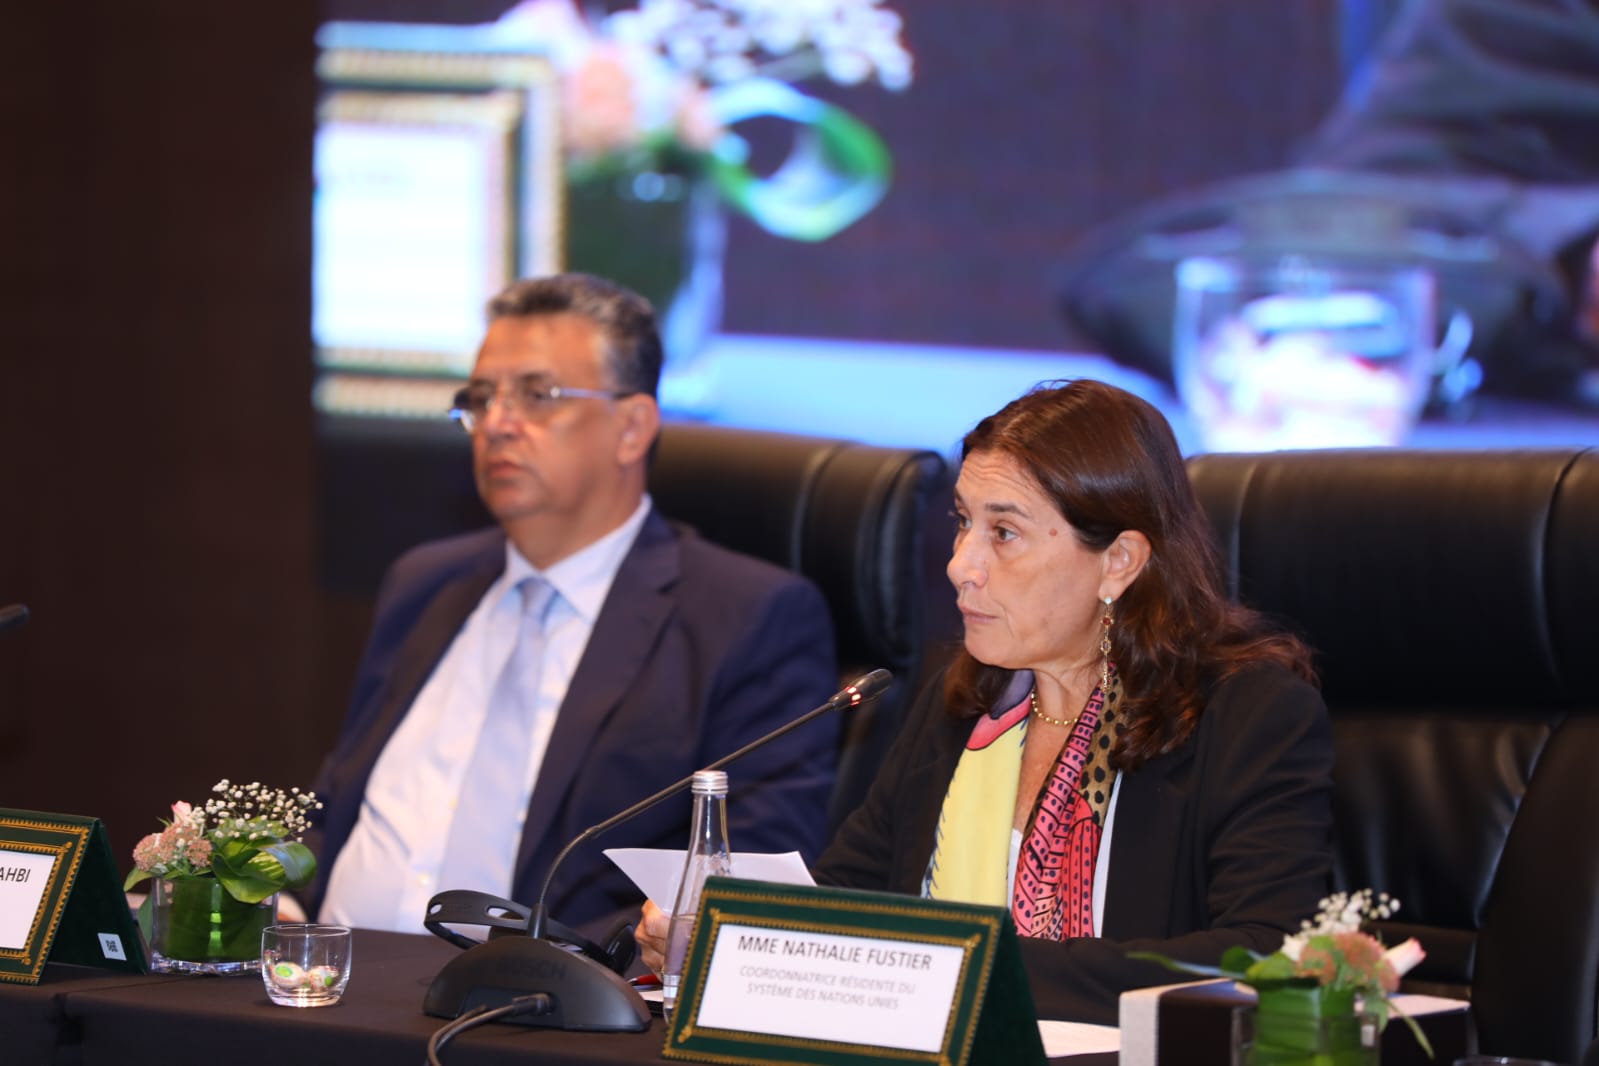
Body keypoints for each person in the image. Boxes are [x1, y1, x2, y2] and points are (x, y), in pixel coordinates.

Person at [638, 378, 1334, 1023]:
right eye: (962, 522)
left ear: (1118, 561)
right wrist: (731, 936)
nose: (960, 565)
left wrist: (953, 965)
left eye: (1003, 533)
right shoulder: (964, 707)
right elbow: (847, 903)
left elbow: (1263, 955)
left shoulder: (1245, 714)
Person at [306, 273, 839, 942]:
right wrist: (277, 897)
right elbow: (340, 805)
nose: (497, 424)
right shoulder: (424, 583)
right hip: (324, 975)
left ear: (632, 428)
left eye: (538, 396)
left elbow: (741, 881)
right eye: (481, 398)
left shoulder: (745, 618)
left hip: (527, 997)